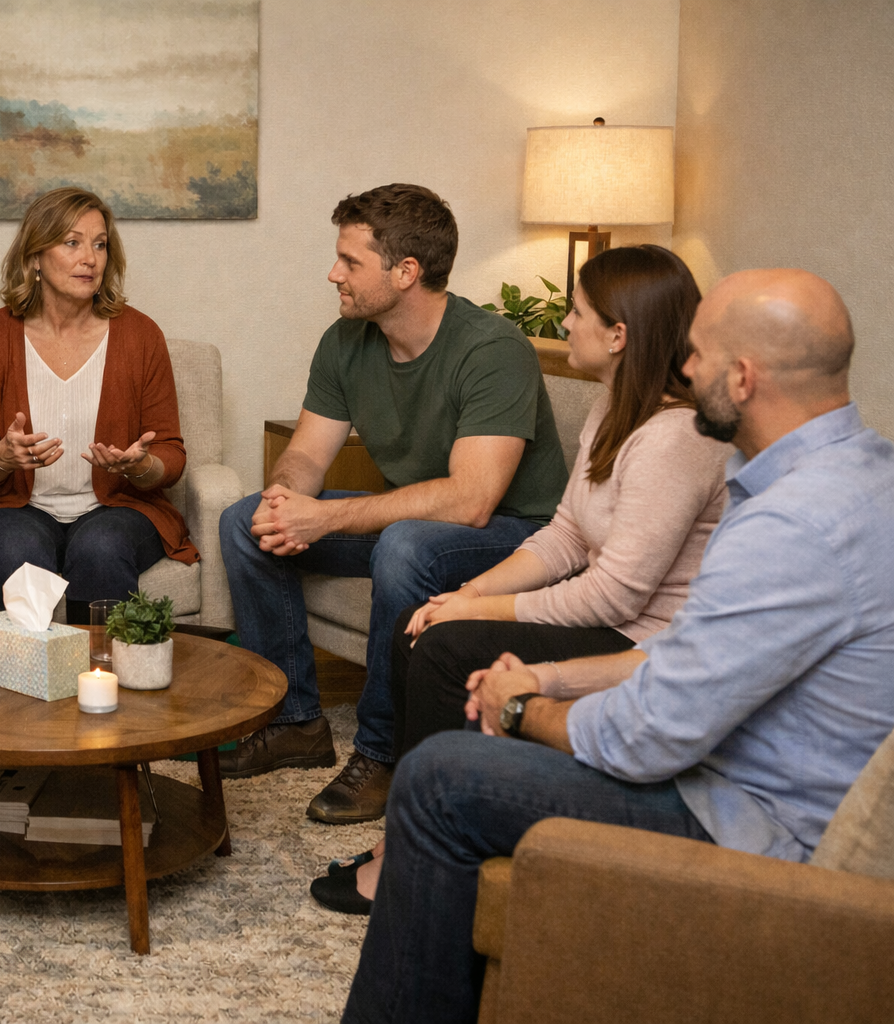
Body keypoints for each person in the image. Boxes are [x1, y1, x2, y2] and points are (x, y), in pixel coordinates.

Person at [342, 269, 894, 1024]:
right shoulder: (861, 477)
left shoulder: (791, 525)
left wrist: (522, 708)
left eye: (697, 356)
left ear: (743, 376)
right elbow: (688, 653)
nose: (686, 370)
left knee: (443, 777)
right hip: (738, 773)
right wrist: (555, 674)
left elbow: (646, 738)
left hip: (751, 819)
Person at [312, 245, 732, 914]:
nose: (564, 326)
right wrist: (470, 595)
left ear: (619, 335)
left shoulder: (675, 438)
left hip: (637, 640)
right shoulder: (616, 406)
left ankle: (411, 854)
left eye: (577, 312)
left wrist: (488, 611)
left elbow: (616, 594)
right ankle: (417, 834)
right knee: (420, 623)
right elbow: (565, 535)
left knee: (445, 648)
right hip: (605, 615)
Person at [218, 184, 568, 825]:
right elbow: (307, 454)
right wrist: (285, 497)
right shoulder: (347, 340)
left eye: (350, 261)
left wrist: (324, 517)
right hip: (418, 518)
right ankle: (294, 724)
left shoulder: (493, 350)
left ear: (406, 272)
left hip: (516, 536)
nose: (333, 274)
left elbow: (472, 500)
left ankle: (381, 754)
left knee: (407, 543)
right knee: (244, 522)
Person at [0, 187, 195, 620]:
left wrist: (139, 466)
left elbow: (170, 455)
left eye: (100, 244)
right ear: (35, 256)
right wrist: (1, 457)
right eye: (72, 242)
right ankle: (19, 680)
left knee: (101, 546)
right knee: (18, 547)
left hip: (117, 508)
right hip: (14, 508)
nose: (90, 258)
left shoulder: (140, 335)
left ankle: (105, 680)